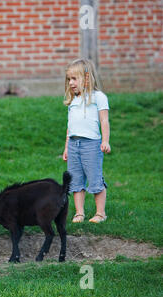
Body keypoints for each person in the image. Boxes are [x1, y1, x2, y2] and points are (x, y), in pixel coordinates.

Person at [62, 58, 111, 223]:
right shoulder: (73, 101)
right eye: (69, 79)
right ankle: (79, 213)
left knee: (95, 178)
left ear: (87, 78)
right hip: (74, 145)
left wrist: (105, 141)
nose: (71, 83)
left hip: (91, 145)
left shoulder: (98, 97)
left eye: (74, 79)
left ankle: (100, 213)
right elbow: (70, 127)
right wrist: (67, 148)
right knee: (75, 180)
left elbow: (104, 121)